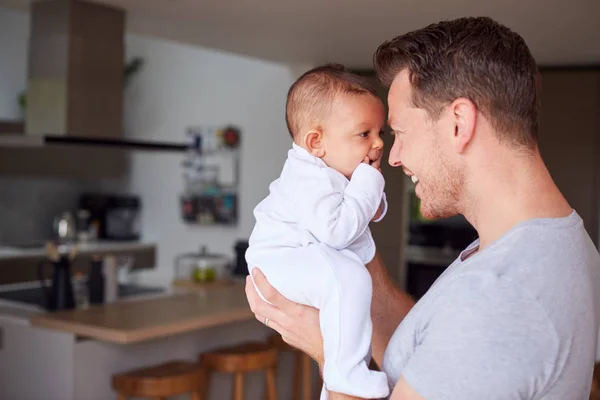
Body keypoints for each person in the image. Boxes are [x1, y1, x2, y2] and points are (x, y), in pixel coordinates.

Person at [245, 16, 600, 400]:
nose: (391, 156)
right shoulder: (543, 243)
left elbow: (471, 334)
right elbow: (432, 355)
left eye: (398, 133)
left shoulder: (497, 297)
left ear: (458, 123)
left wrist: (330, 353)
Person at [245, 64, 390, 399]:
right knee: (349, 280)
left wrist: (367, 187)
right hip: (280, 261)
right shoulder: (307, 178)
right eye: (364, 134)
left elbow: (367, 212)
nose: (379, 144)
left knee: (349, 312)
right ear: (316, 142)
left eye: (380, 132)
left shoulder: (328, 170)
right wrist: (369, 181)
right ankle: (344, 374)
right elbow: (339, 231)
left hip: (302, 257)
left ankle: (339, 377)